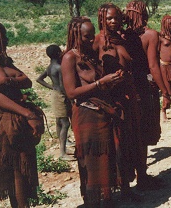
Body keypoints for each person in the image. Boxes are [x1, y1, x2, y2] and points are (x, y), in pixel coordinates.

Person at [61, 16, 125, 207]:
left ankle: (107, 199)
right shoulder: (69, 58)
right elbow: (71, 92)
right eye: (86, 37)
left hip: (101, 112)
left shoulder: (90, 55)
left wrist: (112, 80)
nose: (91, 40)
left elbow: (99, 84)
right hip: (86, 115)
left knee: (106, 157)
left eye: (91, 36)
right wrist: (100, 83)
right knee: (90, 160)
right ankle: (93, 202)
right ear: (75, 35)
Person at [0, 17, 44, 208]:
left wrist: (4, 81)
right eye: (3, 35)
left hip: (16, 125)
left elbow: (27, 81)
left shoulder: (3, 59)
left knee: (20, 182)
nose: (7, 39)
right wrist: (27, 114)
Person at [94, 3, 143, 200]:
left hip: (127, 98)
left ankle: (126, 188)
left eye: (116, 18)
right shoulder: (97, 43)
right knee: (114, 147)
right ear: (101, 20)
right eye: (109, 19)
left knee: (127, 143)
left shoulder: (121, 41)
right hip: (111, 100)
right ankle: (109, 194)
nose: (114, 22)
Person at [124, 0, 171, 191]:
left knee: (131, 133)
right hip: (143, 87)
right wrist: (165, 91)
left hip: (125, 89)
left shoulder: (121, 35)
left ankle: (128, 179)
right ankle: (142, 177)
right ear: (144, 13)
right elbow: (153, 66)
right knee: (143, 134)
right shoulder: (150, 35)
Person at [36, 44, 75, 161]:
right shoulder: (59, 67)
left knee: (59, 121)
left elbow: (39, 79)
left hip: (55, 95)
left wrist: (52, 86)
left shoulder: (50, 67)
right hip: (61, 96)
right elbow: (64, 87)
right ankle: (62, 153)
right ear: (59, 53)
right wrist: (71, 99)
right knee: (66, 123)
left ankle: (65, 143)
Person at [159, 15, 171, 122]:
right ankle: (163, 111)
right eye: (169, 23)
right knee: (166, 91)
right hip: (164, 66)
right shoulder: (160, 37)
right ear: (164, 25)